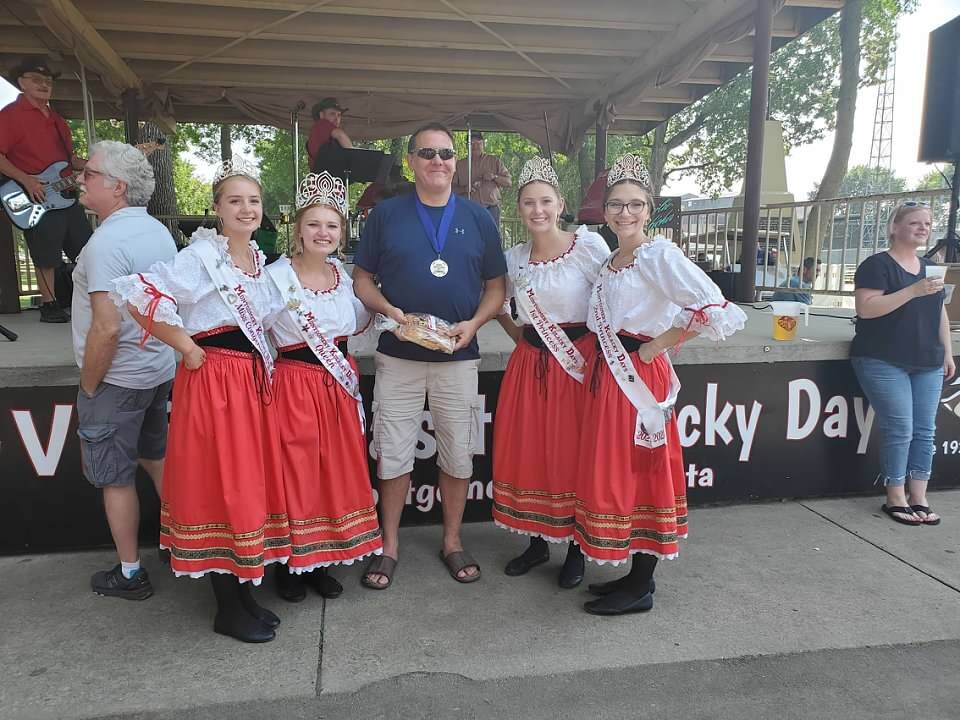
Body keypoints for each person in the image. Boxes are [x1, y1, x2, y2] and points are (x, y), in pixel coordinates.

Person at [112, 157, 287, 643]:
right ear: (216, 209)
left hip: (250, 381)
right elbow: (138, 294)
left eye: (253, 201)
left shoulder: (258, 261)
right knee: (221, 485)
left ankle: (245, 595)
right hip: (215, 383)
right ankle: (226, 608)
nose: (246, 208)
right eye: (235, 201)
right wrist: (186, 346)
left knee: (246, 484)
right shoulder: (200, 258)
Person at [576, 154, 746, 616]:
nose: (624, 213)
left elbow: (715, 309)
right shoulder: (613, 257)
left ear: (649, 210)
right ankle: (632, 575)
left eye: (634, 205)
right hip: (608, 374)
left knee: (644, 471)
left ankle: (642, 585)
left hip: (637, 376)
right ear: (604, 210)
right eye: (616, 204)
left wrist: (658, 346)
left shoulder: (659, 255)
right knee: (620, 472)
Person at [352, 122, 507, 589]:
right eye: (427, 153)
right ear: (410, 162)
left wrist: (475, 324)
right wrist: (390, 311)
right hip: (399, 353)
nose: (437, 161)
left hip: (459, 356)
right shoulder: (386, 214)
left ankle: (453, 540)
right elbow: (362, 279)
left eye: (445, 153)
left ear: (455, 162)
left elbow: (497, 288)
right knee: (393, 452)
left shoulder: (479, 216)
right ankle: (390, 544)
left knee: (458, 452)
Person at [492, 157, 609, 589]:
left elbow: (609, 299)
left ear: (560, 203)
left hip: (577, 364)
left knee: (575, 453)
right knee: (533, 452)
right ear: (518, 208)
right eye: (528, 202)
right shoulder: (514, 258)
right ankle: (538, 540)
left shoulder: (589, 246)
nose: (537, 210)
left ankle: (577, 546)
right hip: (531, 364)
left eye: (545, 201)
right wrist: (523, 340)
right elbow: (501, 308)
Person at [267, 172, 383, 602]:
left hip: (337, 385)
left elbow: (361, 324)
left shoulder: (344, 277)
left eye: (332, 225)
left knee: (332, 472)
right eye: (314, 224)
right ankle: (289, 565)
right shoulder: (274, 277)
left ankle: (322, 559)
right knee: (296, 475)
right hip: (294, 386)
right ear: (298, 227)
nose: (323, 233)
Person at [72, 141, 177, 600]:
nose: (80, 178)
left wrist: (89, 385)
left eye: (89, 173)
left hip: (117, 378)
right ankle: (182, 546)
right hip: (157, 369)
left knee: (116, 477)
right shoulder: (157, 231)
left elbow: (106, 329)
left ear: (116, 187)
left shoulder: (105, 243)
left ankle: (131, 573)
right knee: (158, 459)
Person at [850, 201, 953, 527]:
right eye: (914, 223)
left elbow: (940, 312)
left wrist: (947, 353)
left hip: (928, 360)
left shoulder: (930, 267)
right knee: (901, 428)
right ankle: (895, 495)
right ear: (895, 227)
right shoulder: (877, 265)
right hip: (883, 357)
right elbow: (867, 309)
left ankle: (919, 495)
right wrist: (913, 290)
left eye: (927, 223)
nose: (923, 228)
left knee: (925, 430)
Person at [0, 57, 91, 322]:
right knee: (46, 251)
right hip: (33, 195)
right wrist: (27, 180)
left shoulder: (57, 120)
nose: (44, 85)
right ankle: (49, 304)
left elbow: (70, 159)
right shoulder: (9, 116)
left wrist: (97, 164)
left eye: (48, 81)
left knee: (86, 246)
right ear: (22, 83)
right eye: (37, 80)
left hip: (65, 192)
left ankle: (88, 298)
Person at [452, 131, 511, 225]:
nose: (475, 146)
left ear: (483, 144)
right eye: (472, 144)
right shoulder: (459, 164)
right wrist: (464, 189)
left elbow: (508, 182)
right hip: (468, 209)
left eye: (478, 143)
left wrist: (494, 177)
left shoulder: (494, 161)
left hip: (491, 209)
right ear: (467, 146)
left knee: (492, 238)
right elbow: (450, 189)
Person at [307, 97, 353, 174]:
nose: (337, 118)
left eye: (339, 115)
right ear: (321, 115)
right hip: (323, 182)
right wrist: (356, 160)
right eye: (332, 114)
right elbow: (341, 135)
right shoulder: (321, 124)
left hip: (330, 182)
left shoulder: (330, 135)